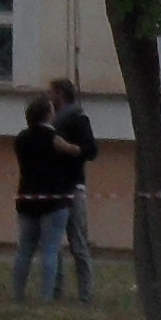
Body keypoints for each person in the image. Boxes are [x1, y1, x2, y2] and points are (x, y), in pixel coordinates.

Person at [12, 95, 82, 302]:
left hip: (26, 198)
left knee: (24, 249)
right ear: (48, 114)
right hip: (54, 201)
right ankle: (46, 296)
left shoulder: (21, 139)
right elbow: (75, 151)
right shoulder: (54, 139)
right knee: (50, 250)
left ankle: (18, 294)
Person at [42, 76, 99, 303]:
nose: (48, 97)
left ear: (61, 95)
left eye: (51, 92)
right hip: (54, 188)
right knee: (53, 244)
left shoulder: (78, 120)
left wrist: (68, 148)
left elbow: (91, 151)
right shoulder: (52, 123)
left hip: (73, 187)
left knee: (78, 244)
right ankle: (56, 291)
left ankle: (86, 295)